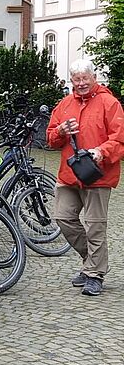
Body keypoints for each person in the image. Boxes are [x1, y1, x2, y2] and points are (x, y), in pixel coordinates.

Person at [46, 59, 124, 297]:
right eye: (76, 79)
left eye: (84, 78)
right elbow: (50, 139)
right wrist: (60, 131)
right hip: (69, 174)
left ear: (94, 78)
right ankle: (92, 261)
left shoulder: (109, 103)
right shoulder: (65, 104)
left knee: (95, 226)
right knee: (63, 218)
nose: (80, 83)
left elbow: (120, 139)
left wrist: (101, 152)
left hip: (98, 175)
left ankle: (94, 274)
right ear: (71, 80)